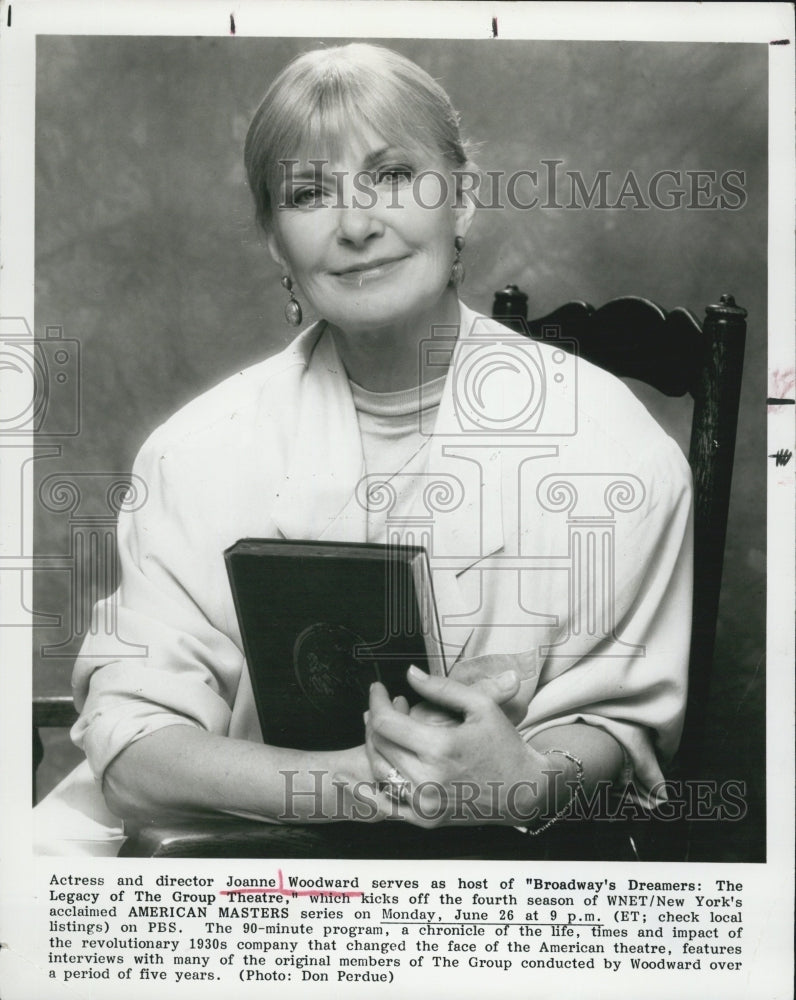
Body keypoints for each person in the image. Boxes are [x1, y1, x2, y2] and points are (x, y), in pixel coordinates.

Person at [34, 43, 692, 855]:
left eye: (391, 175)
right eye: (309, 193)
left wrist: (520, 779)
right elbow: (133, 751)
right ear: (275, 240)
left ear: (464, 200)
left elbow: (615, 723)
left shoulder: (612, 448)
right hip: (245, 870)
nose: (357, 225)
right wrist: (363, 786)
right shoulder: (191, 455)